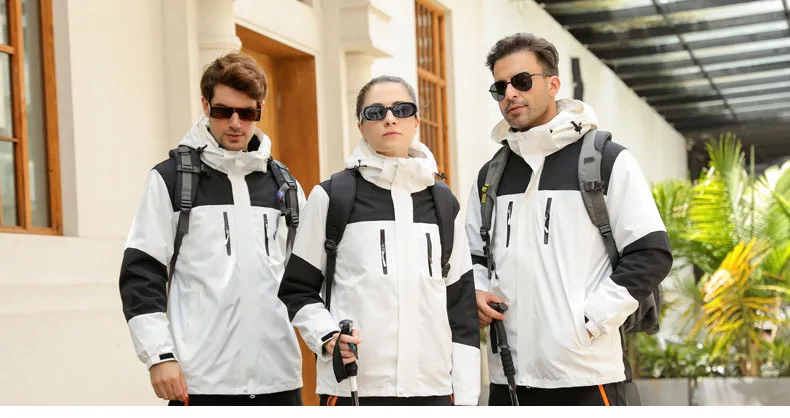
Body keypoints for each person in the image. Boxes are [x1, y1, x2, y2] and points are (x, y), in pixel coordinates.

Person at [467, 33, 673, 406]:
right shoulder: (490, 177)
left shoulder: (607, 161)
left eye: (522, 81)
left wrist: (589, 322)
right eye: (500, 87)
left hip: (588, 375)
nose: (510, 93)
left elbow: (650, 253)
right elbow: (475, 256)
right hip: (508, 379)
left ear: (553, 84)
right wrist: (478, 291)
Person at [277, 75, 480, 406]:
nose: (390, 118)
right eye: (375, 112)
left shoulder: (444, 203)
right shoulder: (331, 197)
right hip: (354, 390)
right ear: (360, 125)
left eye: (402, 109)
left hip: (432, 391)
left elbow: (461, 308)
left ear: (416, 121)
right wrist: (328, 337)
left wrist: (467, 399)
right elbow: (297, 289)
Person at [119, 51, 306, 406]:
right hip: (201, 383)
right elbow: (141, 273)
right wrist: (159, 355)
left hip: (278, 380)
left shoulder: (286, 187)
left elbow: (308, 281)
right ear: (205, 106)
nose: (235, 123)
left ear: (260, 111)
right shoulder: (171, 179)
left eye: (247, 113)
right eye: (223, 111)